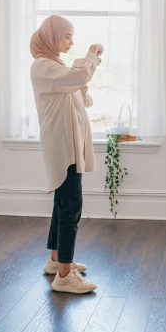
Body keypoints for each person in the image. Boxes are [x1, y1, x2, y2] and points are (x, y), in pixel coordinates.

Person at [30, 15, 103, 294]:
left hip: (70, 144)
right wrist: (91, 55)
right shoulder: (43, 67)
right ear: (52, 36)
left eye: (72, 36)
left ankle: (56, 260)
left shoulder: (55, 67)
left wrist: (81, 82)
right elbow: (81, 75)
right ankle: (64, 275)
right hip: (63, 145)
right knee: (71, 205)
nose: (71, 42)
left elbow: (82, 97)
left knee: (64, 202)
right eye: (67, 36)